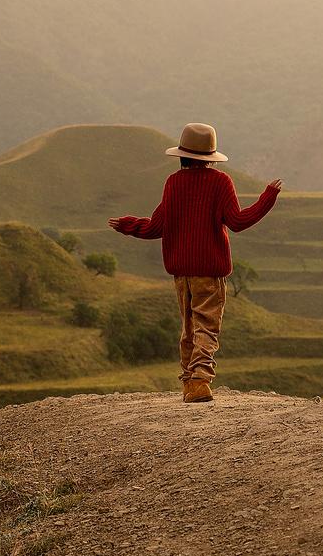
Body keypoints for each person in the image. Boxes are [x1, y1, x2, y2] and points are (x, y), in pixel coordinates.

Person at [108, 123, 280, 402]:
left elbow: (155, 227)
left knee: (188, 328)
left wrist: (128, 225)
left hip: (181, 274)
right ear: (211, 157)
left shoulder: (173, 183)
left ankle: (188, 383)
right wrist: (267, 198)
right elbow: (238, 222)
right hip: (209, 272)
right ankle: (200, 380)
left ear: (181, 155)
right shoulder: (220, 182)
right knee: (206, 327)